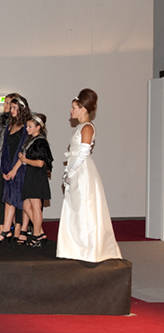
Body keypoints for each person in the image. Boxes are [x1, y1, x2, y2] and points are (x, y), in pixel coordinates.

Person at [57, 89, 121, 262]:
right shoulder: (80, 127)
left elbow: (83, 153)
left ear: (83, 109)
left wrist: (71, 172)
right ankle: (76, 247)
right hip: (77, 170)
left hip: (82, 172)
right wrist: (68, 172)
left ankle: (88, 249)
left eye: (74, 108)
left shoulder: (87, 127)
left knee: (84, 208)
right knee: (76, 208)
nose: (71, 111)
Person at [0, 95, 30, 243]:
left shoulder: (25, 127)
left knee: (22, 201)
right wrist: (5, 170)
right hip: (8, 167)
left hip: (20, 168)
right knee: (8, 199)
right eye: (11, 107)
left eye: (15, 108)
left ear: (22, 109)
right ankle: (5, 230)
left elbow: (23, 151)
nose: (11, 110)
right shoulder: (9, 126)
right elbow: (5, 149)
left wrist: (14, 169)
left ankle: (31, 230)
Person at [15, 114, 53, 247]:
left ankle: (36, 235)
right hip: (30, 174)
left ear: (38, 127)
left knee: (36, 206)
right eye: (27, 126)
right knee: (26, 206)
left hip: (37, 176)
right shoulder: (31, 140)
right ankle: (40, 233)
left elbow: (41, 163)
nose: (27, 129)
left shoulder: (41, 142)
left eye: (30, 126)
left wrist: (25, 160)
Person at [0, 94, 23, 228]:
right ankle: (2, 226)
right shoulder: (0, 120)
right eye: (5, 103)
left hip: (14, 163)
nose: (6, 106)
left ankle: (19, 227)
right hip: (0, 161)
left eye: (9, 103)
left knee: (15, 196)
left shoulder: (19, 124)